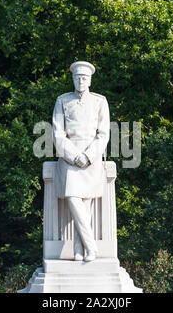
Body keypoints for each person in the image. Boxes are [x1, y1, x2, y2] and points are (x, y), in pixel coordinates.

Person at [52, 61, 110, 262]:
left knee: (85, 205)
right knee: (74, 200)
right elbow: (58, 134)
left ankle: (79, 250)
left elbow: (103, 134)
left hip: (91, 160)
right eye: (77, 77)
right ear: (72, 79)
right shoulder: (62, 100)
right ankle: (91, 247)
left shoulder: (100, 101)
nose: (80, 81)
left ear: (90, 80)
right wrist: (74, 155)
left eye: (84, 78)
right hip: (70, 160)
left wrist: (88, 156)